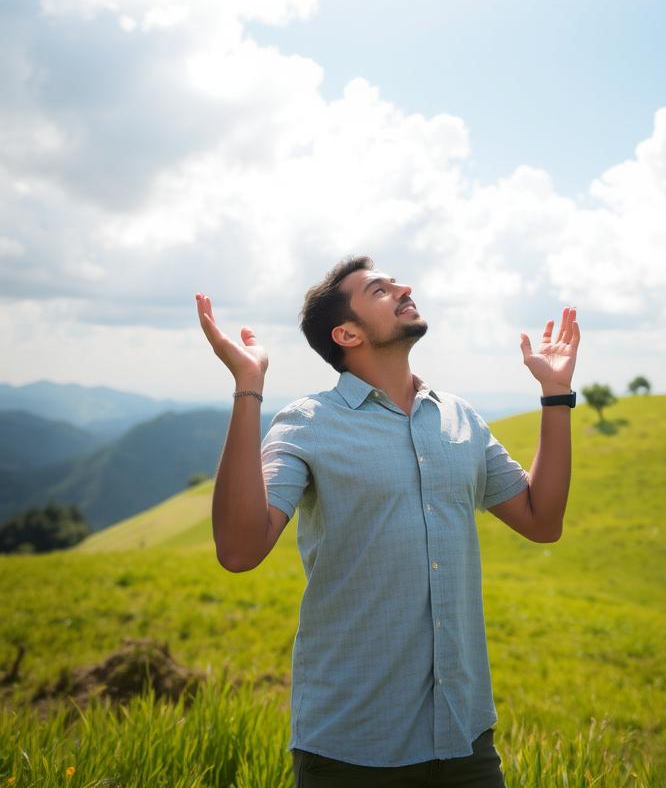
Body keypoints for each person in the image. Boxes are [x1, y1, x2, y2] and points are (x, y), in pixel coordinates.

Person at [197, 255, 579, 787]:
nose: (403, 287)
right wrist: (248, 385)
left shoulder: (460, 418)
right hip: (352, 749)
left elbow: (542, 521)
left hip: (466, 741)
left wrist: (556, 395)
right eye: (379, 289)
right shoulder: (308, 424)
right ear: (347, 333)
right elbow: (239, 551)